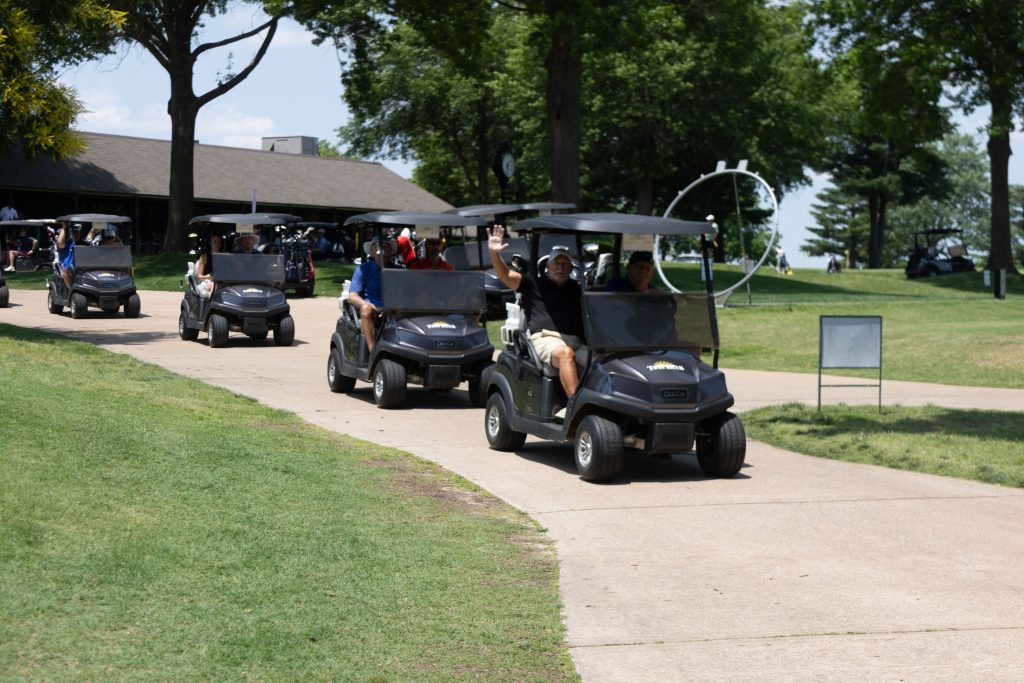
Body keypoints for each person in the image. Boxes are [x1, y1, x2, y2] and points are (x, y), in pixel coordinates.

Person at [489, 225, 586, 410]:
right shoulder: (533, 283)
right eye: (556, 263)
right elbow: (507, 276)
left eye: (565, 264)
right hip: (545, 339)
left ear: (571, 268)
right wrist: (495, 254)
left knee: (599, 361)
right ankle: (577, 408)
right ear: (547, 266)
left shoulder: (576, 288)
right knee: (566, 354)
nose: (560, 267)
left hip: (575, 341)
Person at [348, 236, 397, 353]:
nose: (383, 251)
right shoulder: (363, 269)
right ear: (372, 251)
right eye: (379, 247)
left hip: (393, 309)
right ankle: (373, 351)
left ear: (390, 251)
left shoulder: (397, 270)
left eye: (386, 247)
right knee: (365, 309)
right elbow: (352, 296)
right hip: (372, 309)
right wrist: (370, 306)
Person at [195, 234, 223, 298]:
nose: (217, 244)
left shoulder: (223, 256)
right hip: (207, 281)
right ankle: (211, 307)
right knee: (213, 285)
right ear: (211, 243)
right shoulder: (204, 257)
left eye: (219, 242)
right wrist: (208, 277)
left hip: (220, 281)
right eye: (215, 242)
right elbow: (199, 277)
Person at [54, 221, 77, 288]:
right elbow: (60, 242)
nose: (75, 233)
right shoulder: (63, 244)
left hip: (79, 265)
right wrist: (64, 227)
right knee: (66, 270)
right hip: (66, 266)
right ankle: (70, 289)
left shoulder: (78, 243)